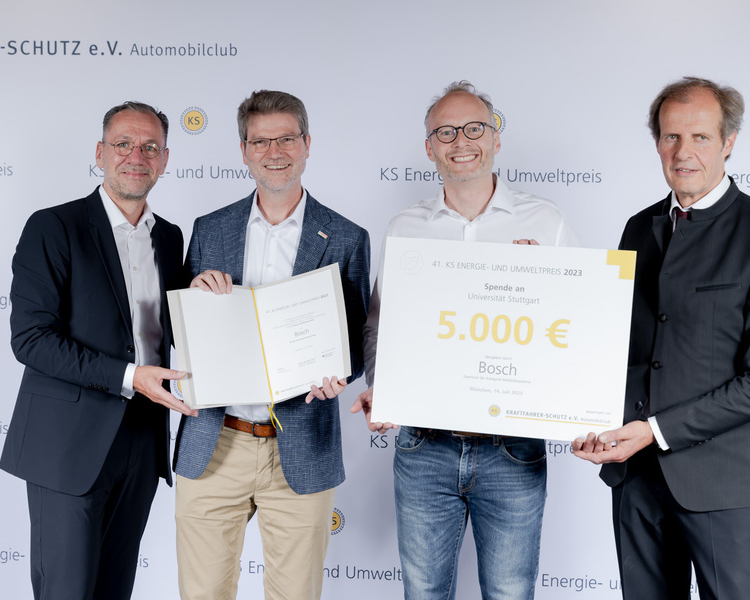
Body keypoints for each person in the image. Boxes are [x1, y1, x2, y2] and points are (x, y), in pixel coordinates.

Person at [352, 81, 577, 599]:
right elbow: (380, 325)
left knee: (510, 592)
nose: (462, 142)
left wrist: (542, 283)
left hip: (513, 449)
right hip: (423, 447)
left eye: (475, 128)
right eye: (446, 132)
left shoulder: (546, 223)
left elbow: (572, 327)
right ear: (429, 147)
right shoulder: (405, 227)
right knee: (424, 593)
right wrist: (384, 388)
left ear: (496, 137)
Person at [173, 89, 370, 600]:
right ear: (243, 151)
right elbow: (180, 334)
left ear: (307, 144)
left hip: (302, 443)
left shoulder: (346, 236)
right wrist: (196, 296)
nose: (274, 151)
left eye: (285, 138)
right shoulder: (210, 229)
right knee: (202, 594)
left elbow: (354, 342)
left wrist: (340, 376)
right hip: (215, 441)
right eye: (260, 141)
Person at [0, 101, 194, 600]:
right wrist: (130, 376)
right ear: (100, 153)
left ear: (165, 159)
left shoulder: (170, 238)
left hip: (143, 440)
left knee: (115, 590)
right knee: (66, 590)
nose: (136, 156)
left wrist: (208, 292)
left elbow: (177, 328)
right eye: (123, 144)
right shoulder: (54, 226)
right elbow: (31, 339)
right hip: (68, 444)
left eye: (150, 147)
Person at [572, 77, 750, 600]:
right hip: (635, 479)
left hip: (723, 485)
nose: (683, 152)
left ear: (729, 142)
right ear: (657, 143)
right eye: (671, 136)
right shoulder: (639, 227)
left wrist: (655, 430)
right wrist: (540, 285)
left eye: (700, 137)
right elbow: (615, 342)